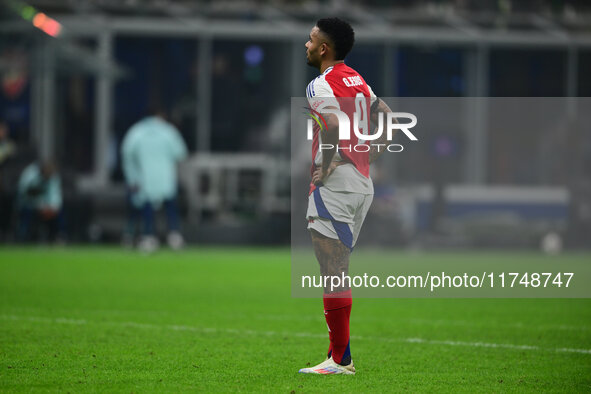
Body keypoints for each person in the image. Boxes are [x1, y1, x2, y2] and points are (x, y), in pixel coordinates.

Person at [298, 18, 394, 375]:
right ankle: (339, 356)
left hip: (337, 186)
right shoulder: (356, 78)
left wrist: (329, 161)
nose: (305, 45)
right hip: (362, 185)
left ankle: (341, 360)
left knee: (332, 272)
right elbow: (385, 114)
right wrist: (368, 154)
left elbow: (333, 126)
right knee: (338, 271)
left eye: (310, 40)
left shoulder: (319, 85)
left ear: (324, 48)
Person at [121, 108, 188, 252]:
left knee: (146, 207)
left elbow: (127, 154)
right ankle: (174, 236)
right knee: (170, 207)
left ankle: (148, 236)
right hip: (165, 178)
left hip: (143, 178)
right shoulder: (169, 131)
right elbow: (181, 153)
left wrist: (132, 177)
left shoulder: (136, 131)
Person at [16, 160, 64, 242]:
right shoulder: (30, 173)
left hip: (47, 208)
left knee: (60, 214)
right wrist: (40, 207)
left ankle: (58, 237)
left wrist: (52, 208)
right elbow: (24, 192)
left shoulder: (53, 176)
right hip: (29, 205)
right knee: (27, 213)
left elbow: (56, 196)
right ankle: (23, 238)